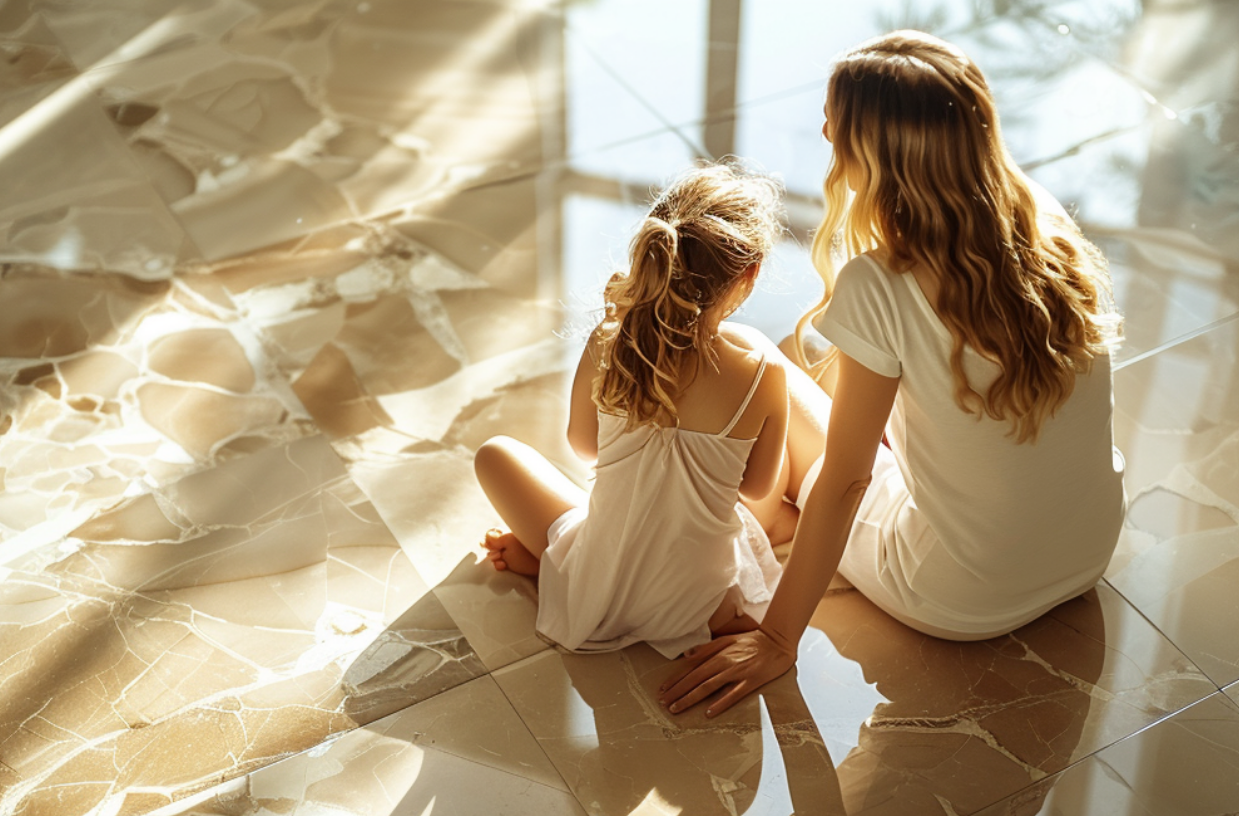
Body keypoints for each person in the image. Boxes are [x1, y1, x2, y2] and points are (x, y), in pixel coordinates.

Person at [660, 30, 1126, 717]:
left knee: (776, 380)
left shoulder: (883, 281)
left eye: (834, 122)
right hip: (1088, 549)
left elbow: (848, 479)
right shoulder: (1044, 221)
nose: (822, 130)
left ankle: (785, 527)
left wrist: (777, 639)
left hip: (962, 594)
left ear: (878, 155)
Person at [474, 162, 793, 658]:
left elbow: (583, 447)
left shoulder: (610, 339)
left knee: (495, 455)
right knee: (740, 498)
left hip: (594, 592)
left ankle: (552, 560)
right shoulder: (762, 369)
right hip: (697, 603)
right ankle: (730, 585)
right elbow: (756, 487)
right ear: (747, 277)